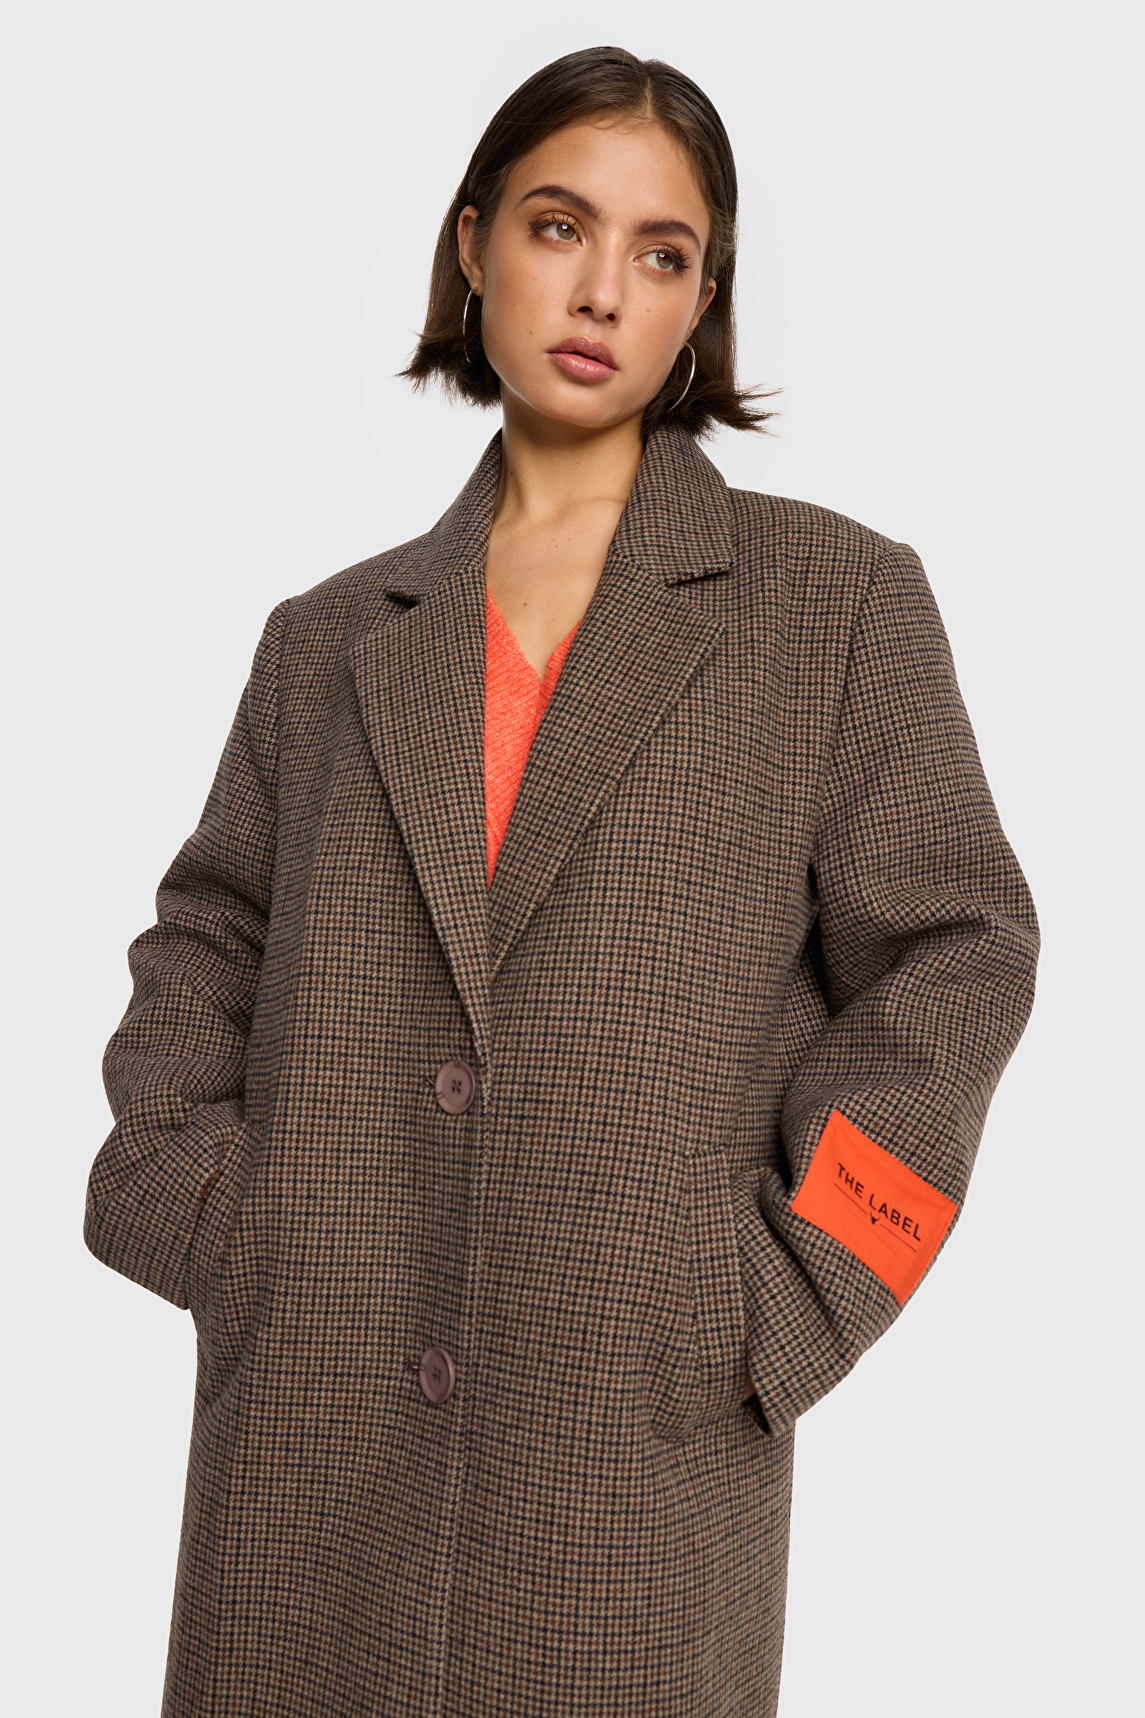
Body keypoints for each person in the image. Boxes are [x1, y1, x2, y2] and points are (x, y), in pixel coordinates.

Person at [84, 44, 1039, 1718]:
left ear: (702, 302)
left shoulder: (832, 606)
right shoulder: (327, 641)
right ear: (472, 246)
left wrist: (785, 1292)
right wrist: (220, 1217)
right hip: (309, 1443)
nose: (603, 290)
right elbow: (208, 937)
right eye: (557, 226)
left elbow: (958, 956)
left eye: (663, 255)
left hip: (629, 1457)